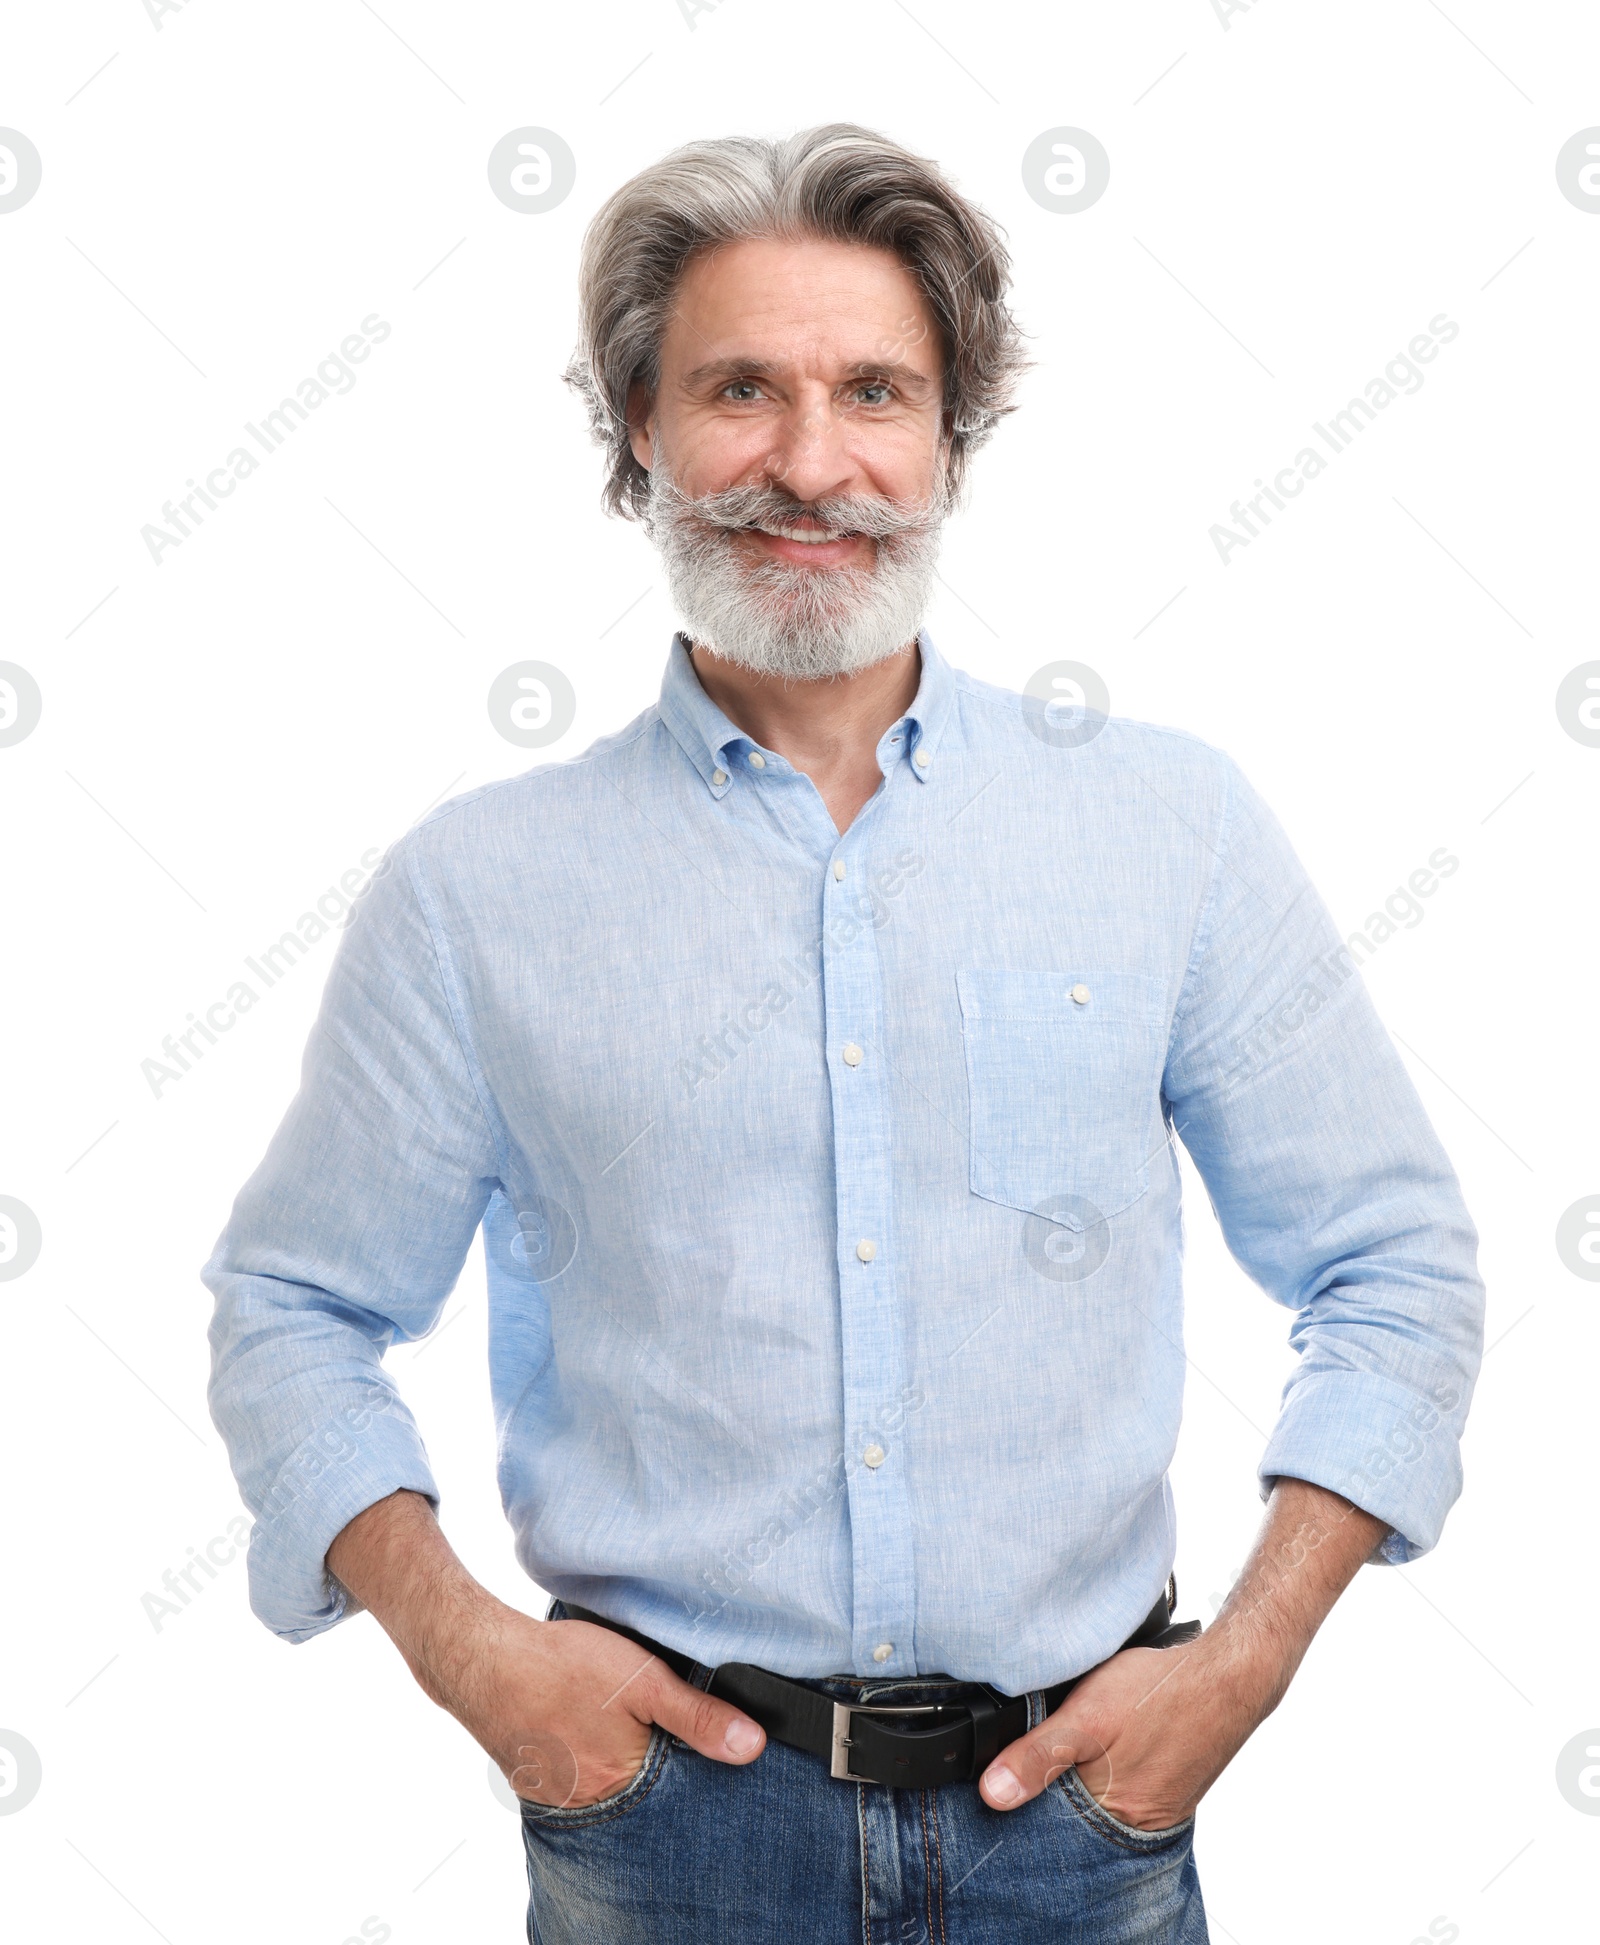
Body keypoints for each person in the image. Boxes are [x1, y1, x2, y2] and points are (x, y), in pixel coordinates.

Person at [204, 125, 1484, 1944]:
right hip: (664, 1843)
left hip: (1087, 1826)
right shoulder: (476, 890)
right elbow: (292, 1307)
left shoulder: (1169, 830)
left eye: (874, 390)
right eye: (740, 389)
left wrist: (1244, 1665)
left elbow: (1395, 1259)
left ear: (950, 437)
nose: (811, 464)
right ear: (638, 429)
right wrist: (479, 1659)